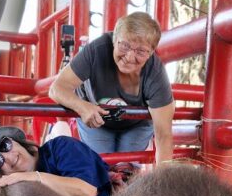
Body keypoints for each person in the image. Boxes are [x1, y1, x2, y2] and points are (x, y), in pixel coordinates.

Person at [48, 12, 175, 164]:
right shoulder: (96, 50)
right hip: (95, 116)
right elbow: (56, 88)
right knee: (102, 168)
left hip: (136, 124)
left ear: (151, 52)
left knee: (126, 171)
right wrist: (82, 107)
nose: (129, 57)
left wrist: (164, 184)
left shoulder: (155, 72)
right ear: (114, 39)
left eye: (140, 51)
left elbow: (163, 135)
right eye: (125, 45)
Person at [0, 126, 112, 196]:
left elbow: (87, 192)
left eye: (4, 145)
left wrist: (31, 176)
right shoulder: (15, 193)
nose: (8, 158)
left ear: (14, 140)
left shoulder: (61, 147)